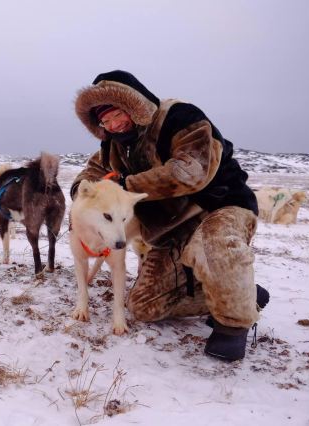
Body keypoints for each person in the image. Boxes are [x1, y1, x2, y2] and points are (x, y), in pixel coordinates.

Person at [71, 70, 269, 361]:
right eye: (105, 121)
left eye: (117, 114)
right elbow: (90, 175)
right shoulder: (112, 146)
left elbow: (191, 172)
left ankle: (232, 324)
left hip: (219, 208)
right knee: (143, 307)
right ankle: (241, 290)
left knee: (214, 246)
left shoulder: (180, 118)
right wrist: (80, 193)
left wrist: (126, 186)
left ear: (134, 104)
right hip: (170, 229)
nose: (113, 125)